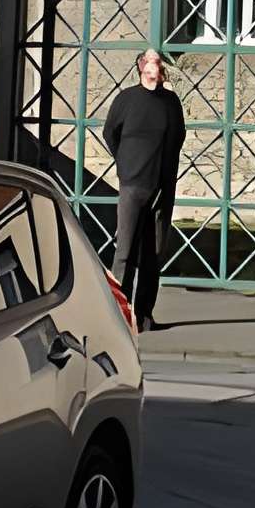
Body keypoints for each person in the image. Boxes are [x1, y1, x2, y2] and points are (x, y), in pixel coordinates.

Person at [102, 48, 184, 331]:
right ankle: (120, 317)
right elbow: (109, 133)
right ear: (141, 67)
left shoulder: (170, 102)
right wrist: (126, 166)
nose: (158, 67)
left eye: (160, 63)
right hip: (133, 185)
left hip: (161, 187)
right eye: (154, 62)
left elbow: (177, 139)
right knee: (124, 252)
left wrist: (166, 177)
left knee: (153, 255)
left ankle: (145, 317)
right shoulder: (126, 100)